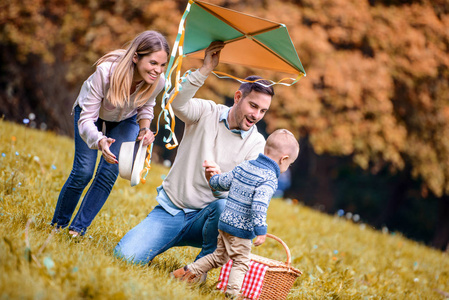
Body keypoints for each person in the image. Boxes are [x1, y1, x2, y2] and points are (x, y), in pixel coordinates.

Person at [113, 42, 274, 270]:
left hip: (208, 222)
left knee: (223, 206)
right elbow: (176, 103)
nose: (256, 115)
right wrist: (205, 69)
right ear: (238, 97)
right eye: (253, 106)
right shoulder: (207, 111)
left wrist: (217, 183)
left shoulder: (257, 144)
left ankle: (198, 269)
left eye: (263, 111)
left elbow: (242, 197)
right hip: (171, 211)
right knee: (125, 257)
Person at [51, 31, 170, 237]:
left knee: (108, 172)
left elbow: (147, 106)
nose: (157, 70)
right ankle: (58, 225)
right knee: (83, 172)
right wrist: (99, 140)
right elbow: (87, 118)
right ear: (136, 57)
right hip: (91, 113)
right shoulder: (105, 73)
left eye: (162, 65)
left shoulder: (159, 81)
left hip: (127, 118)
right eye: (152, 63)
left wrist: (144, 130)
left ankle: (77, 230)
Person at [170, 129, 300, 298]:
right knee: (241, 262)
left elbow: (223, 182)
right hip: (240, 229)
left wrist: (212, 178)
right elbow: (259, 205)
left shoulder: (247, 165)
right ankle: (232, 294)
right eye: (289, 164)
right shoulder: (269, 178)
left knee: (219, 257)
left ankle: (184, 272)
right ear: (284, 159)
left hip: (225, 223)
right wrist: (260, 230)